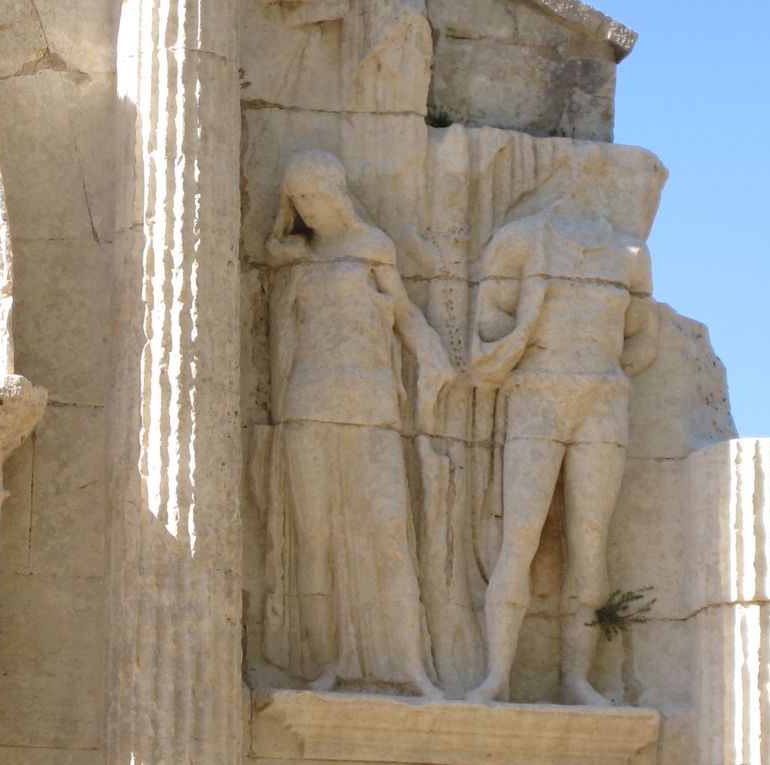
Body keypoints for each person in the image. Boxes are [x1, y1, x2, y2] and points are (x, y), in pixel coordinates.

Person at [264, 150, 452, 698]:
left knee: (390, 530)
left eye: (314, 196)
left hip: (370, 401)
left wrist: (433, 358)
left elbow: (403, 314)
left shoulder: (372, 247)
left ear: (336, 193)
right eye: (297, 201)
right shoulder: (296, 259)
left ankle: (411, 664)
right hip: (307, 400)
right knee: (314, 539)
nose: (307, 209)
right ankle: (327, 663)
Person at [466, 203, 658, 704]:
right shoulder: (521, 239)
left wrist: (604, 377)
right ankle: (497, 674)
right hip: (537, 395)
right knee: (521, 536)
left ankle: (578, 678)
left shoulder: (631, 255)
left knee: (590, 544)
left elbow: (642, 341)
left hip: (601, 402)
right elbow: (488, 327)